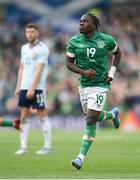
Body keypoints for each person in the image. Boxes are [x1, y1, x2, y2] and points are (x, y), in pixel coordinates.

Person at [66, 13, 121, 169]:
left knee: (90, 120)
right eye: (80, 21)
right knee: (93, 117)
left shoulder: (107, 40)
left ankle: (80, 158)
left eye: (85, 21)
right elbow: (68, 64)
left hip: (100, 85)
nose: (81, 23)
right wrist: (83, 72)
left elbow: (118, 53)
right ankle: (112, 114)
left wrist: (112, 72)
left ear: (93, 25)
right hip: (83, 85)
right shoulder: (74, 41)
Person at [14, 23, 52, 155]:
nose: (29, 34)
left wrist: (32, 88)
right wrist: (18, 86)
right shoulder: (24, 48)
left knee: (42, 115)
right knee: (23, 116)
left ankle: (47, 146)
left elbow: (40, 69)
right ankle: (23, 147)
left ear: (37, 33)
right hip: (24, 87)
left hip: (38, 88)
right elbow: (22, 68)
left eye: (32, 31)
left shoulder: (43, 49)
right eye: (27, 32)